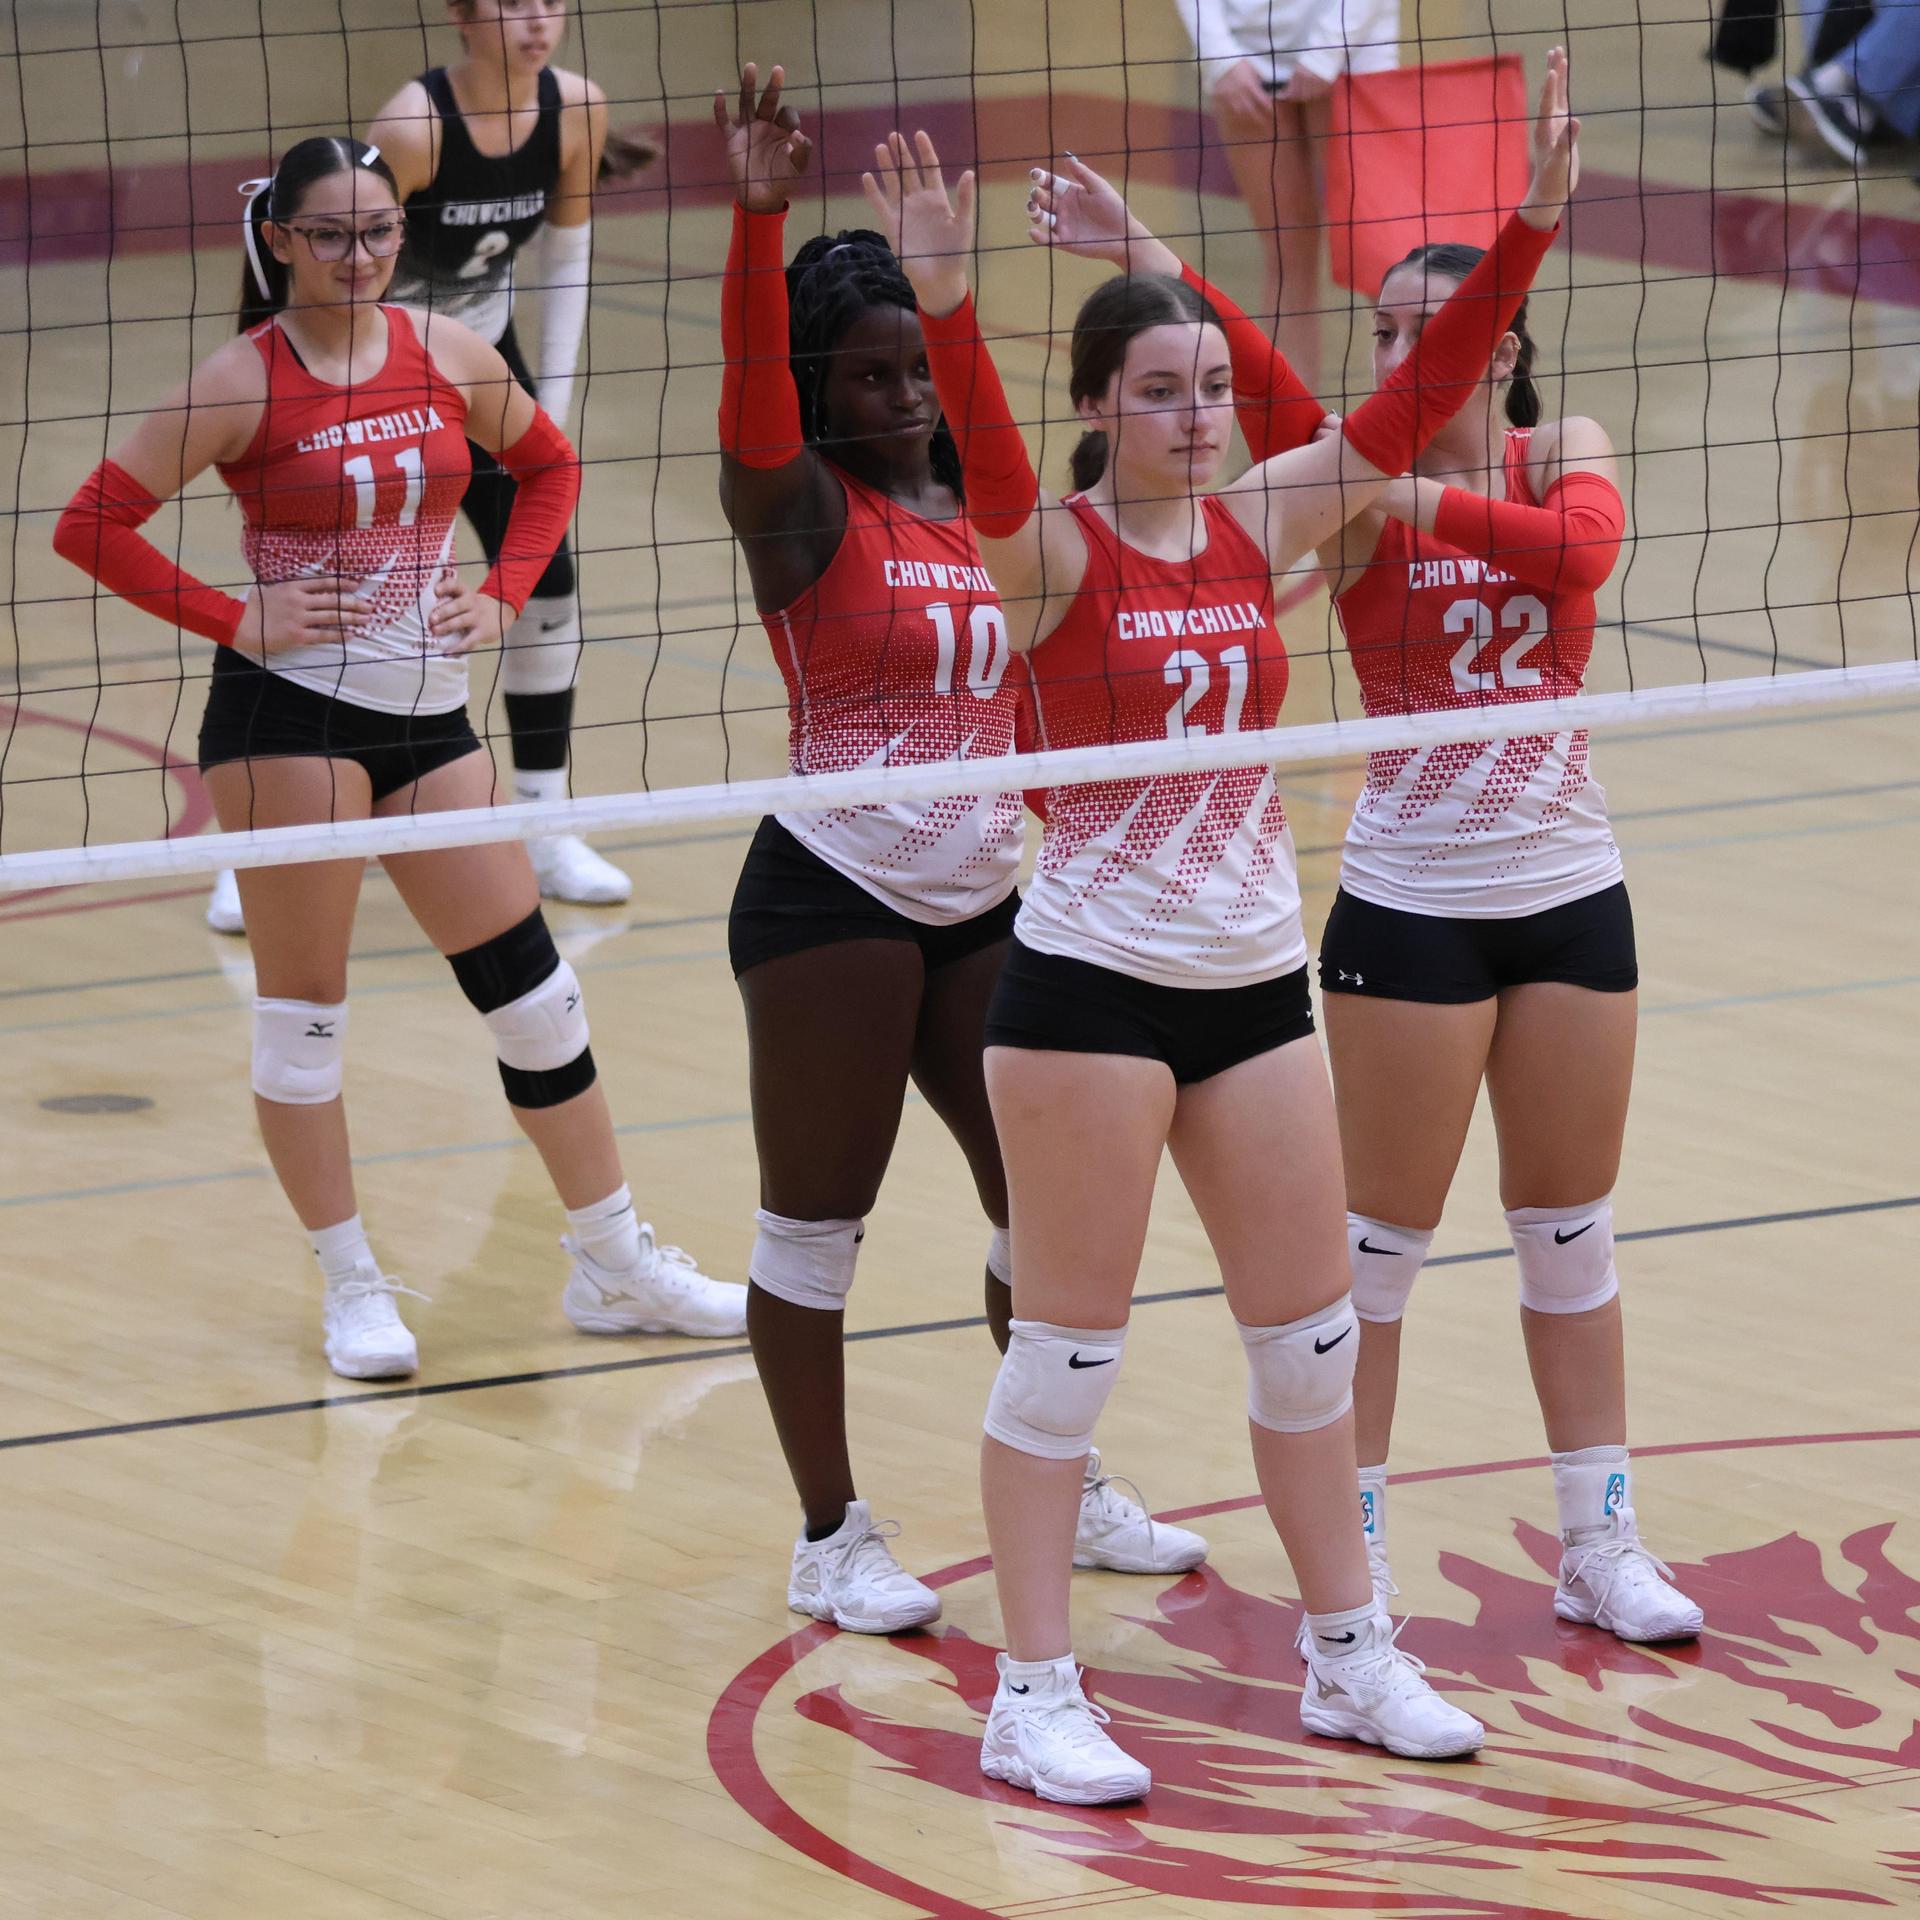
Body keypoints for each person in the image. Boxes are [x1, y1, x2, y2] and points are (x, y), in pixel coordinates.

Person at [864, 45, 1580, 1806]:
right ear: (1101, 406)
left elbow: (1407, 409)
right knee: (1066, 1360)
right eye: (1161, 388)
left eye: (1207, 382)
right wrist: (950, 305)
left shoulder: (1265, 528)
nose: (1198, 411)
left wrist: (1534, 228)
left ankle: (1351, 1658)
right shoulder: (1045, 559)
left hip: (1255, 986)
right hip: (1090, 993)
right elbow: (996, 454)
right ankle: (1031, 1693)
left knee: (1312, 1343)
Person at [52, 136, 745, 1379]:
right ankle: (354, 1288)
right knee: (304, 1028)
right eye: (331, 235)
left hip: (430, 720)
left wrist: (507, 590)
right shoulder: (240, 381)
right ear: (279, 241)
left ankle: (615, 1260)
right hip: (286, 724)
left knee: (539, 1006)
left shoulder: (450, 352)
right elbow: (88, 522)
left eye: (378, 232)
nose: (360, 255)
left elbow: (551, 467)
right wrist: (234, 615)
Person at [713, 63, 1208, 1636]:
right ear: (815, 389)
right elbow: (744, 384)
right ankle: (829, 1529)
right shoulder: (795, 508)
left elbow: (1190, 418)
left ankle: (1064, 1470)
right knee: (818, 1225)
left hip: (997, 890)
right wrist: (756, 209)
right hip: (835, 899)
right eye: (863, 378)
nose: (901, 397)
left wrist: (1149, 269)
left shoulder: (1009, 506)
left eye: (911, 366)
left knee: (1046, 1214)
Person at [1303, 240, 1704, 1646]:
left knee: (1570, 1239)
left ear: (1504, 345)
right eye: (1386, 331)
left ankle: (1599, 1545)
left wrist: (1416, 490)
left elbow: (1585, 551)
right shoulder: (1349, 495)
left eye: (1441, 329)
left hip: (1568, 890)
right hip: (1411, 902)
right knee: (1373, 1262)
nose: (1408, 354)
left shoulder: (1558, 455)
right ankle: (1348, 1581)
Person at [202, 1, 643, 934]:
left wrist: (545, 410)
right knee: (324, 590)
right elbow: (337, 261)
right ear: (461, 15)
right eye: (511, 3)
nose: (536, 20)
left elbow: (569, 255)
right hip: (365, 375)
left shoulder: (578, 109)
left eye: (548, 1)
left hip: (477, 365)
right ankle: (254, 848)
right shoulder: (413, 127)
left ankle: (543, 819)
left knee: (549, 575)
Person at [1173, 0, 1400, 388]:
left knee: (1380, 261)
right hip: (1244, 59)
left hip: (1355, 49)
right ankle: (1292, 437)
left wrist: (1327, 51)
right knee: (1286, 256)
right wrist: (1220, 59)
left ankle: (1424, 428)